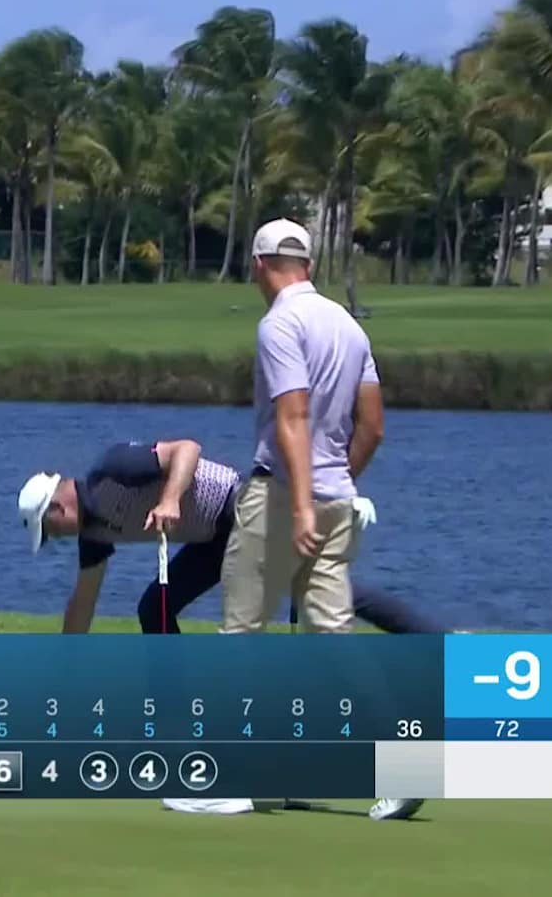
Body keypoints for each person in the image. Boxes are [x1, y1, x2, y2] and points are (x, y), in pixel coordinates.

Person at [215, 218, 424, 821]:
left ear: (259, 265)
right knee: (333, 641)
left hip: (285, 497)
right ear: (307, 262)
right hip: (338, 499)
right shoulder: (349, 325)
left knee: (241, 634)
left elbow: (293, 417)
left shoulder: (280, 322)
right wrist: (336, 487)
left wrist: (302, 501)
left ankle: (230, 780)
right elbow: (374, 425)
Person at [15, 439, 445, 636]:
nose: (56, 538)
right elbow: (83, 602)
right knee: (155, 608)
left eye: (50, 531)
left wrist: (169, 500)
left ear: (56, 508)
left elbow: (187, 449)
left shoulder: (111, 470)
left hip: (239, 510)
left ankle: (438, 643)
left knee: (316, 591)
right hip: (210, 540)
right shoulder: (92, 532)